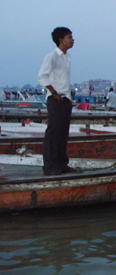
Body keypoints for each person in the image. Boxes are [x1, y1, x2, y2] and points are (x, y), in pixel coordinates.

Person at [38, 27, 76, 175]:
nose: (72, 40)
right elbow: (42, 76)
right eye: (69, 37)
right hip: (56, 99)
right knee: (53, 134)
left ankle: (61, 164)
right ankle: (50, 166)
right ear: (61, 40)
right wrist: (54, 93)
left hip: (65, 99)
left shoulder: (67, 57)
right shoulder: (52, 56)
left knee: (63, 133)